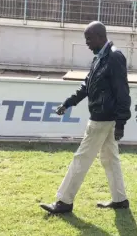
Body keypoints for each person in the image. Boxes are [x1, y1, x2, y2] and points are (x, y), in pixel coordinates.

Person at [40, 21, 131, 214]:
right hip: (103, 117)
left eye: (89, 38)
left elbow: (123, 91)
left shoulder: (114, 57)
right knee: (110, 158)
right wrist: (67, 103)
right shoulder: (100, 57)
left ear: (100, 36)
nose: (87, 43)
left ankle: (64, 201)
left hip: (103, 119)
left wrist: (121, 122)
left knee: (81, 158)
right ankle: (120, 199)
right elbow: (87, 86)